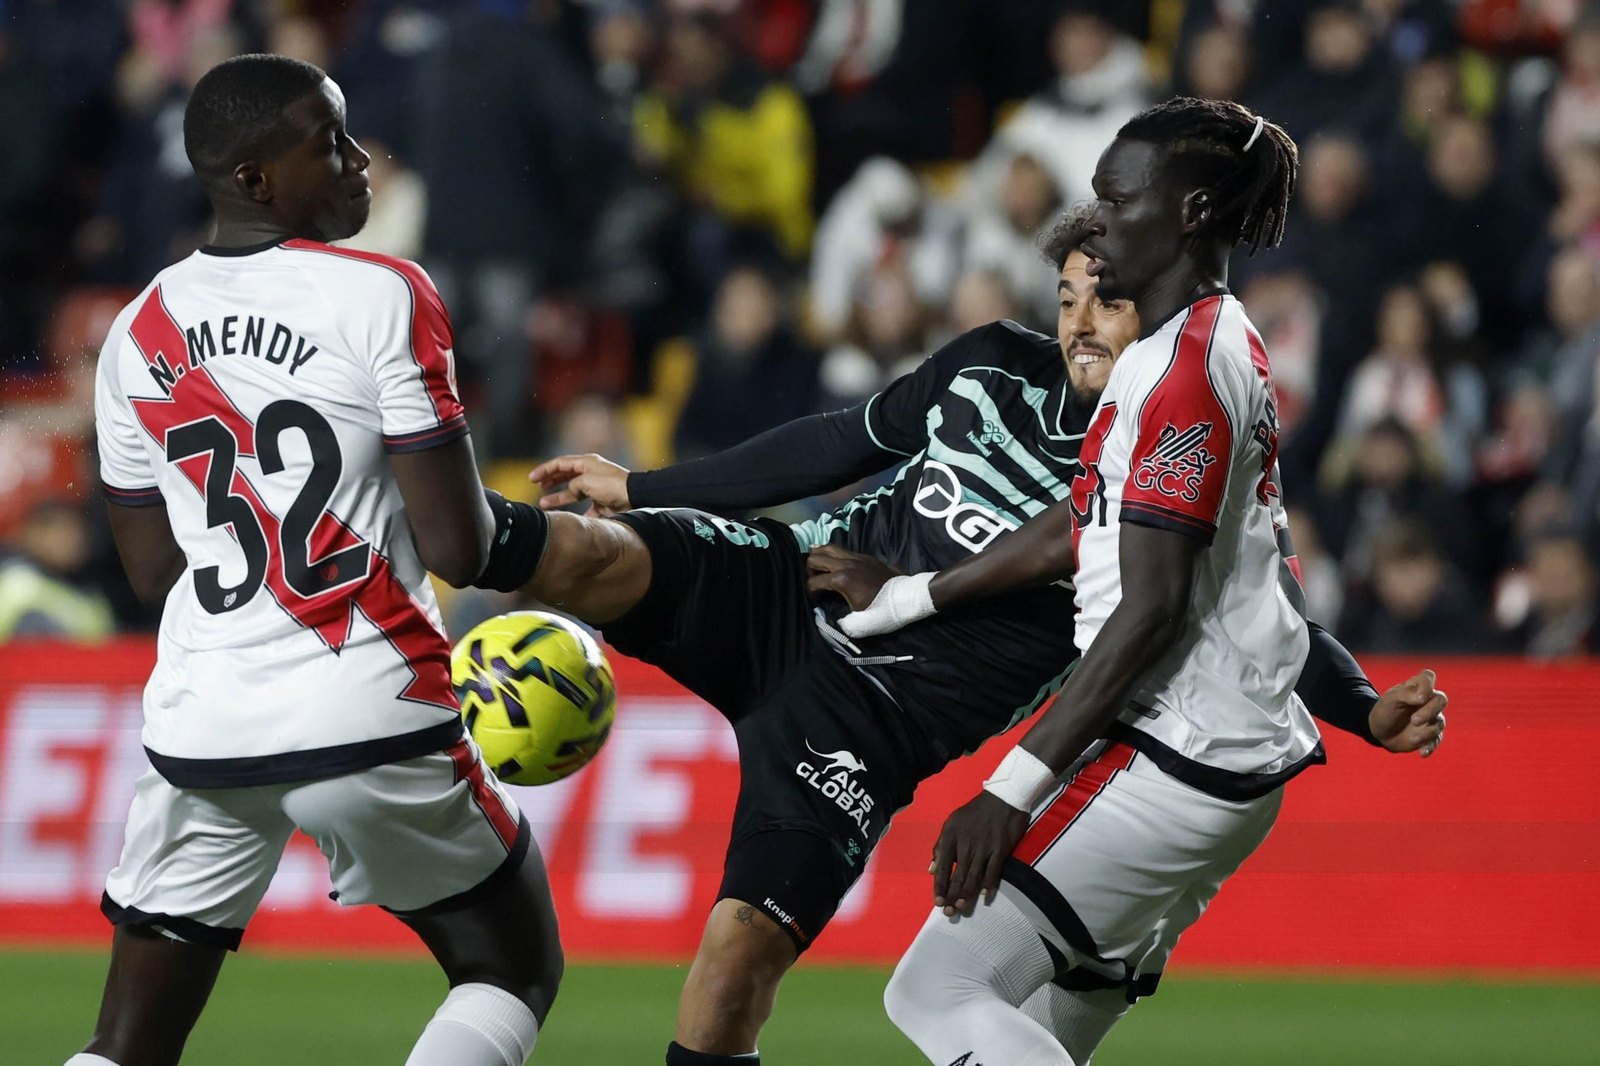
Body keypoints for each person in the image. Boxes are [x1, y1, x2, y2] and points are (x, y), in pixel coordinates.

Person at [519, 215, 1444, 1065]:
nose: (1082, 321)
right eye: (1069, 296)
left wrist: (1360, 708)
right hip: (787, 586)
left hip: (875, 723)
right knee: (582, 553)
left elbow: (1257, 615)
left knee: (735, 966)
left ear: (1154, 310)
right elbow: (842, 441)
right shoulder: (991, 359)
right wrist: (645, 488)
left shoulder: (1166, 451)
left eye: (1109, 299)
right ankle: (398, 530)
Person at [832, 98, 1444, 1065]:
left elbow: (1154, 606)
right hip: (1229, 763)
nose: (1100, 219)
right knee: (1040, 1037)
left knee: (938, 990)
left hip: (1169, 757)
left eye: (1118, 198)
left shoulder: (1182, 376)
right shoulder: (1217, 338)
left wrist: (1011, 788)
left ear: (1191, 211)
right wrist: (911, 595)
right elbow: (1218, 568)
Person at [75, 55, 560, 1066]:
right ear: (253, 178)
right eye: (327, 142)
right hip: (367, 706)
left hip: (201, 727)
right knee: (510, 967)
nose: (358, 161)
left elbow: (153, 572)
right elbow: (460, 548)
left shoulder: (133, 334)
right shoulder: (385, 291)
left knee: (123, 1047)